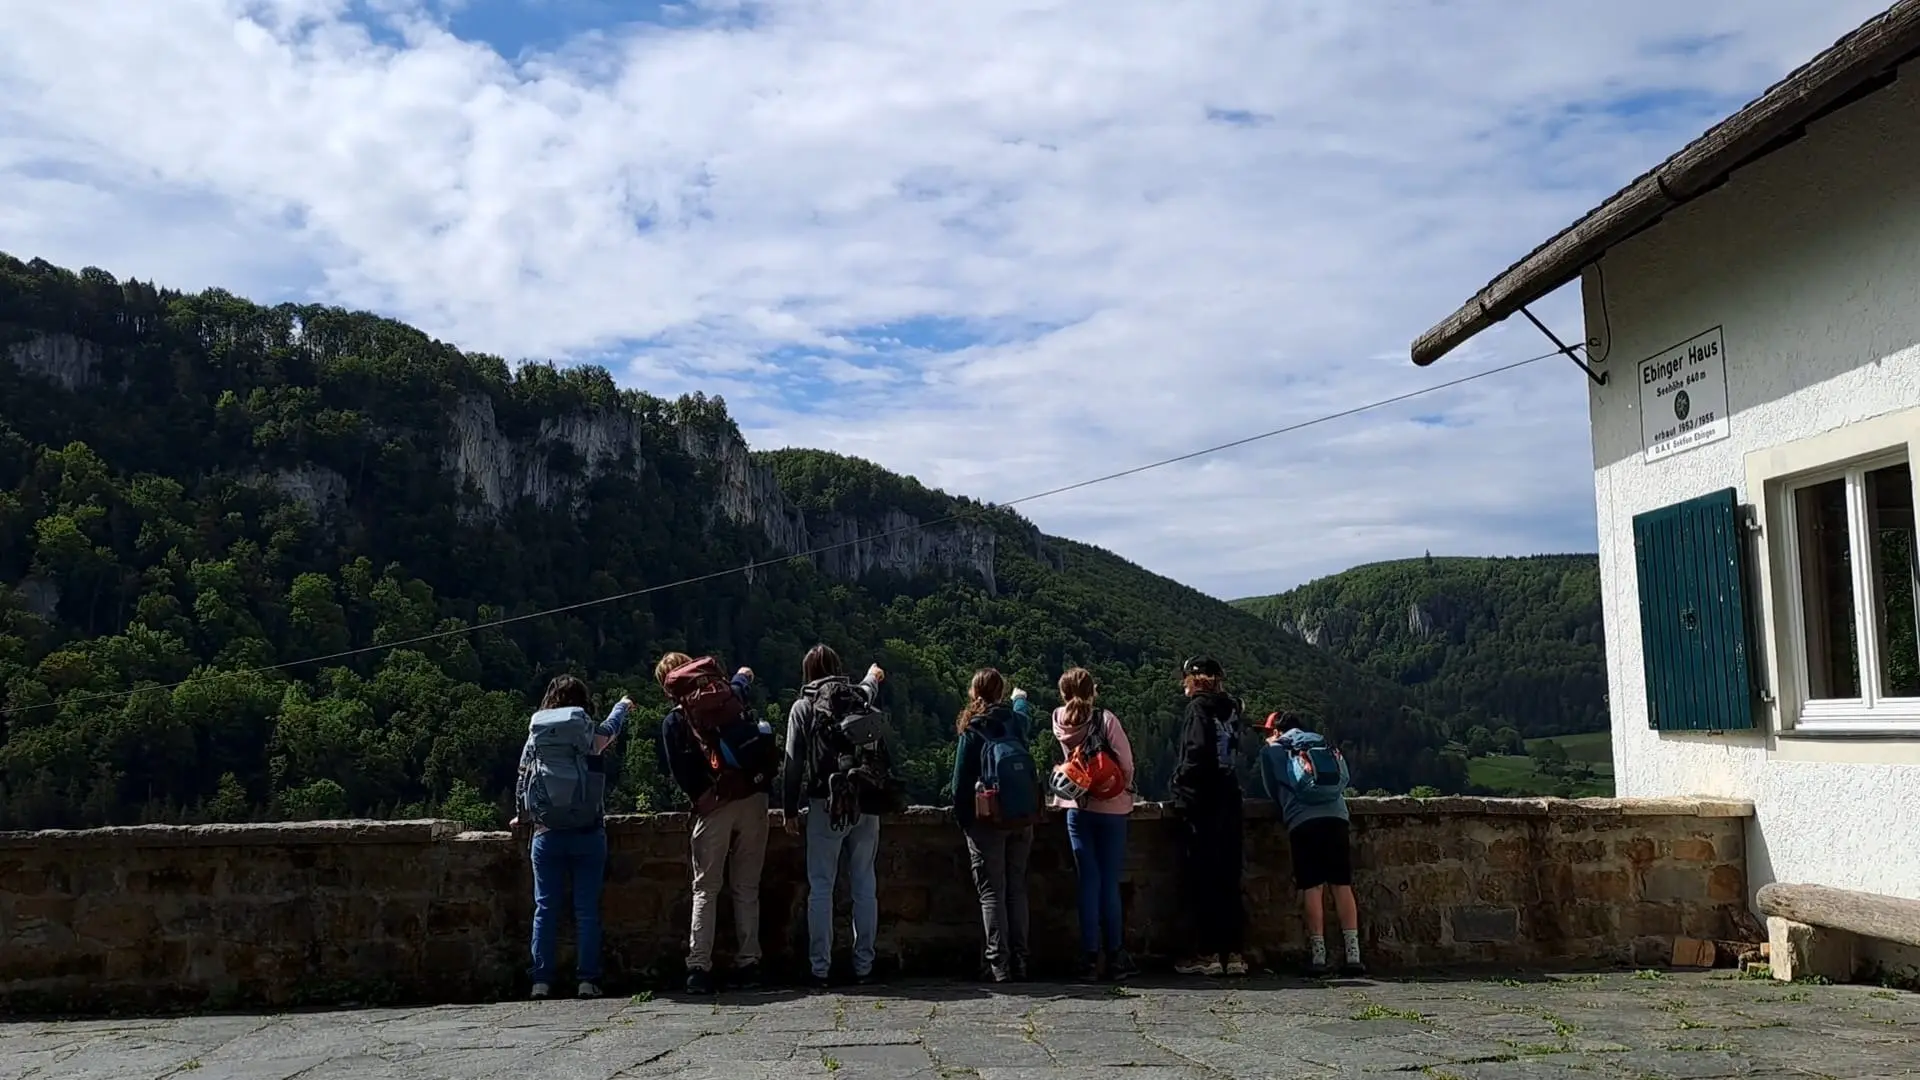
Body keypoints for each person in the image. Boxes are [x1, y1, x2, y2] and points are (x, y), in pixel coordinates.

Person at [656, 651, 777, 996]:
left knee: (705, 888)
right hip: (754, 796)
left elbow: (681, 771)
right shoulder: (727, 694)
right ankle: (750, 962)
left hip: (716, 805)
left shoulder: (675, 721)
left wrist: (704, 798)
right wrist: (744, 674)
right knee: (746, 887)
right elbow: (742, 683)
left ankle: (699, 967)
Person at [511, 674, 631, 1000]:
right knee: (586, 909)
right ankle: (587, 980)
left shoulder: (537, 735)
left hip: (546, 832)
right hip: (588, 831)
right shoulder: (585, 733)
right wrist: (622, 706)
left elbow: (524, 778)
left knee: (545, 908)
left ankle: (541, 980)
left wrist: (523, 817)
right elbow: (609, 732)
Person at [781, 644, 891, 988]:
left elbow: (793, 762)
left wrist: (788, 809)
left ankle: (820, 968)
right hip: (864, 801)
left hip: (825, 802)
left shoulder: (804, 706)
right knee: (864, 883)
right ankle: (865, 965)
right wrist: (874, 674)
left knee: (821, 887)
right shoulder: (858, 696)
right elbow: (871, 684)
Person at [1048, 667, 1138, 982]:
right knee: (1109, 881)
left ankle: (1087, 957)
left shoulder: (1059, 720)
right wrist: (1118, 786)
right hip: (1111, 809)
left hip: (1077, 807)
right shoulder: (1105, 719)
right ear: (1093, 690)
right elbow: (1125, 763)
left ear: (1063, 693)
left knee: (1088, 882)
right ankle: (1114, 956)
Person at [1260, 712, 1365, 977]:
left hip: (1302, 820)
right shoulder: (1321, 742)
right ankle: (1354, 955)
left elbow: (1272, 789)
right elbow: (1343, 778)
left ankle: (1319, 957)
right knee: (1342, 884)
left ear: (1275, 731)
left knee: (1312, 886)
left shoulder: (1274, 750)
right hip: (1337, 816)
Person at [949, 668, 1037, 983]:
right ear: (1001, 693)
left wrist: (965, 822)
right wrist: (1021, 699)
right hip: (1021, 816)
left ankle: (999, 964)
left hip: (987, 820)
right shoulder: (1015, 722)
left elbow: (959, 784)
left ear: (975, 693)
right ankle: (1022, 959)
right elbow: (1023, 712)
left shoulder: (973, 728)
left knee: (992, 893)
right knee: (1017, 889)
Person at [1168, 655, 1248, 977]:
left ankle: (1206, 953)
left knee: (1201, 880)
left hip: (1202, 805)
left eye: (1187, 677)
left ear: (1195, 678)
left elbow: (1196, 752)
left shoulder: (1198, 709)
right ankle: (1235, 954)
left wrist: (1178, 783)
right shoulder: (1231, 710)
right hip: (1229, 799)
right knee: (1229, 878)